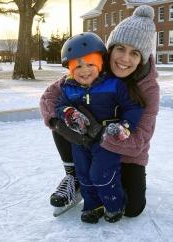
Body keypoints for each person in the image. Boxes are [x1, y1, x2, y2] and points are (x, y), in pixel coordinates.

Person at [39, 5, 159, 219]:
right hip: (85, 147)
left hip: (127, 152)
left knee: (132, 209)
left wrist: (99, 134)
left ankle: (111, 178)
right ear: (109, 49)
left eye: (134, 53)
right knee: (64, 112)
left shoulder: (148, 88)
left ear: (142, 58)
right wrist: (62, 120)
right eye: (120, 48)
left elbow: (139, 140)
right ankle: (74, 176)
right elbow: (49, 98)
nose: (124, 58)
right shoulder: (91, 69)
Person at [55, 32, 144, 223]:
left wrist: (124, 126)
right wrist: (69, 113)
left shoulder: (114, 85)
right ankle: (92, 206)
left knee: (101, 174)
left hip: (106, 139)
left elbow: (133, 107)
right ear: (70, 70)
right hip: (81, 141)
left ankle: (114, 205)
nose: (84, 70)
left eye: (90, 64)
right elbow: (59, 106)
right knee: (84, 174)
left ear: (100, 64)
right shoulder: (69, 88)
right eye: (77, 66)